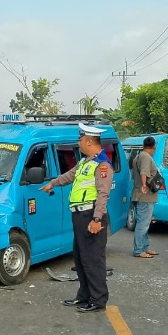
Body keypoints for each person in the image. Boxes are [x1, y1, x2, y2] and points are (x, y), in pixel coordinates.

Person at [40, 123, 113, 313]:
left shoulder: (102, 165)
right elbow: (69, 176)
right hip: (79, 215)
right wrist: (52, 184)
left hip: (91, 216)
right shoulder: (85, 162)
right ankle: (84, 296)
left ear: (89, 141)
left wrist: (97, 219)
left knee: (93, 259)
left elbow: (103, 194)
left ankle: (98, 300)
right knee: (80, 258)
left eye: (80, 139)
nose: (78, 143)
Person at [131, 136, 158, 259]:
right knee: (143, 223)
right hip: (145, 196)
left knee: (145, 223)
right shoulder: (146, 157)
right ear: (154, 147)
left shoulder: (138, 156)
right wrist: (143, 185)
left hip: (138, 194)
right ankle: (138, 250)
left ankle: (145, 247)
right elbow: (144, 173)